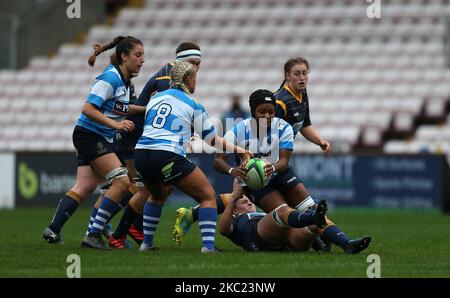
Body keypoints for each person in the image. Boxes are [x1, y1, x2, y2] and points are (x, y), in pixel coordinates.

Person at [174, 88, 371, 254]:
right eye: (262, 112)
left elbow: (284, 162)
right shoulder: (237, 130)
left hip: (281, 174)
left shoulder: (283, 126)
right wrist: (233, 170)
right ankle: (315, 237)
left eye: (271, 112)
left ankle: (346, 243)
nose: (268, 116)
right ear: (253, 111)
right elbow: (218, 161)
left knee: (311, 209)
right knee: (286, 214)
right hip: (257, 184)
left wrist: (270, 167)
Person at [134, 61, 252, 253]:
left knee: (156, 195)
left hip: (141, 153)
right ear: (188, 79)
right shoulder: (193, 104)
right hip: (166, 154)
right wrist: (239, 150)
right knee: (207, 196)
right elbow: (212, 140)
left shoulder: (155, 99)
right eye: (195, 78)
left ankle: (146, 244)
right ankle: (208, 247)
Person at [42, 36, 145, 250]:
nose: (142, 60)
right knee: (123, 183)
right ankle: (94, 233)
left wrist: (146, 109)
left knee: (90, 186)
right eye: (138, 55)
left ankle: (59, 228)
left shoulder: (124, 82)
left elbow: (121, 108)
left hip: (96, 138)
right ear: (123, 56)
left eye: (143, 55)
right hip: (90, 136)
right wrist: (116, 126)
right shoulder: (111, 78)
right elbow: (88, 109)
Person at [107, 42, 203, 249]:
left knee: (161, 190)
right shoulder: (169, 77)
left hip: (147, 138)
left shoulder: (173, 74)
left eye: (198, 63)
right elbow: (168, 110)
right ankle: (120, 232)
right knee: (144, 191)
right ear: (180, 62)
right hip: (138, 136)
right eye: (191, 62)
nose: (195, 68)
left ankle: (129, 229)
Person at [219, 179, 328, 252]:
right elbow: (223, 230)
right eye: (243, 202)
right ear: (234, 211)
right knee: (281, 211)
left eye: (249, 201)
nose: (249, 203)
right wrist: (233, 198)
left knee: (313, 226)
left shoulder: (260, 214)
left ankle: (328, 243)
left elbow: (238, 187)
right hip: (258, 238)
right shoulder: (236, 221)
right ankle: (312, 218)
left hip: (288, 243)